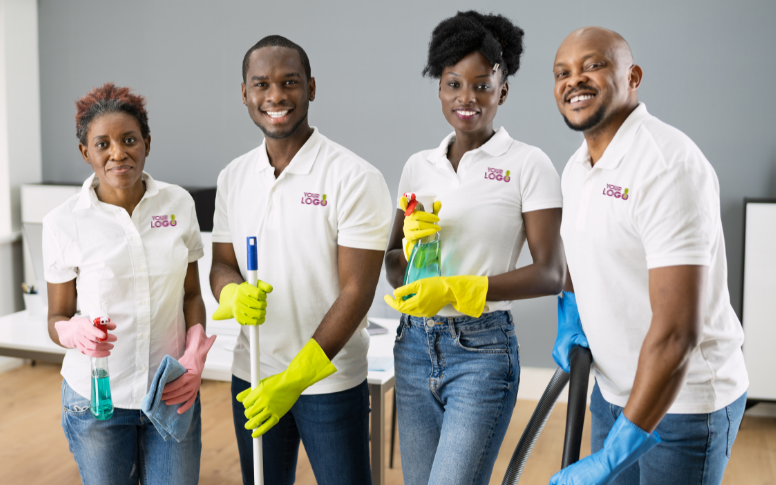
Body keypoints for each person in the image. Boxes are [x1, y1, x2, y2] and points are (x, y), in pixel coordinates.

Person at [549, 27, 749, 485]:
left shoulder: (668, 165)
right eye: (563, 72)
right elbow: (583, 255)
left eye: (593, 65)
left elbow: (678, 332)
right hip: (612, 390)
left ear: (632, 76)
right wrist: (573, 312)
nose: (574, 80)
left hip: (684, 406)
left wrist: (613, 454)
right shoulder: (578, 168)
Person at [383, 11, 566, 485]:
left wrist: (458, 288)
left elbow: (552, 273)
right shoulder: (417, 166)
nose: (467, 98)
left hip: (482, 351)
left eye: (482, 85)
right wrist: (412, 251)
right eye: (453, 83)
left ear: (502, 91)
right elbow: (393, 268)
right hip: (413, 346)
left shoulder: (528, 165)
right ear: (439, 87)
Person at [209, 35, 392, 485]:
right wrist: (232, 293)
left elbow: (358, 292)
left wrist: (293, 380)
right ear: (245, 93)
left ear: (311, 87)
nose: (275, 96)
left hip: (328, 383)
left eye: (289, 82)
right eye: (262, 84)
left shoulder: (354, 177)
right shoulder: (233, 177)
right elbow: (222, 265)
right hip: (251, 374)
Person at [44, 83, 212, 485]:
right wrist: (72, 331)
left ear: (147, 144)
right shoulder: (63, 222)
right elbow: (57, 315)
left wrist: (194, 353)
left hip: (171, 391)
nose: (118, 153)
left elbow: (192, 295)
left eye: (129, 139)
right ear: (86, 153)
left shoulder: (178, 205)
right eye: (102, 144)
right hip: (97, 401)